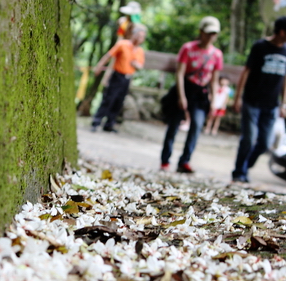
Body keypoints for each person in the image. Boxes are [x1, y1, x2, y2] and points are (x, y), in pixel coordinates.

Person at [160, 16, 223, 173]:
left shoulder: (216, 54)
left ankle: (184, 161)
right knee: (173, 126)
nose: (210, 37)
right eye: (208, 33)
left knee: (196, 125)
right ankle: (165, 160)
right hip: (184, 89)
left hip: (200, 94)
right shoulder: (188, 48)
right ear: (201, 32)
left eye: (214, 34)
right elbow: (180, 73)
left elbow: (214, 81)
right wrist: (182, 97)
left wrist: (214, 102)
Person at [232, 16, 286, 183]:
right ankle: (239, 172)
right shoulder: (260, 46)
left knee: (264, 143)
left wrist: (283, 103)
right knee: (248, 138)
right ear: (282, 31)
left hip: (271, 105)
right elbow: (246, 72)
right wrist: (238, 97)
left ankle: (244, 166)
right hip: (252, 101)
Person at [91, 25, 147, 133]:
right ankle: (96, 122)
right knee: (108, 99)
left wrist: (136, 65)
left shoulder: (140, 51)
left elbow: (141, 65)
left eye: (142, 37)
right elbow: (108, 55)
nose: (140, 38)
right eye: (139, 36)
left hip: (127, 78)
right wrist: (99, 66)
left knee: (119, 101)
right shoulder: (122, 44)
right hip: (117, 76)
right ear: (133, 35)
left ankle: (109, 125)